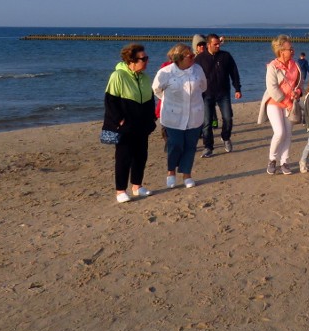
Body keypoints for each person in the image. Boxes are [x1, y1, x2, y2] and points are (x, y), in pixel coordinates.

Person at [103, 43, 157, 203]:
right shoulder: (118, 76)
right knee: (123, 157)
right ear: (131, 60)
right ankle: (120, 191)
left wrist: (151, 119)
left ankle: (137, 186)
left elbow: (150, 100)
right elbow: (110, 102)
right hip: (125, 126)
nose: (147, 61)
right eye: (143, 59)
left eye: (147, 58)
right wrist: (120, 120)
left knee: (141, 156)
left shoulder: (145, 77)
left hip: (142, 125)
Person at [152, 43, 207, 189]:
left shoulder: (198, 70)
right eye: (190, 56)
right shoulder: (166, 72)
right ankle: (171, 172)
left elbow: (203, 86)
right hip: (173, 117)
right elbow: (156, 89)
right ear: (180, 58)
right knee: (175, 144)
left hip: (194, 115)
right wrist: (169, 100)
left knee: (190, 146)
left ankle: (187, 175)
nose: (193, 58)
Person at [258, 35, 302, 175]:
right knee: (280, 132)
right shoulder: (273, 66)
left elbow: (299, 83)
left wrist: (298, 92)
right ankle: (272, 159)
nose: (293, 51)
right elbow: (272, 88)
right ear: (281, 51)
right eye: (290, 49)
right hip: (274, 103)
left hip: (290, 103)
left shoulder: (295, 65)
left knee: (288, 133)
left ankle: (285, 162)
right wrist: (287, 102)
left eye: (292, 48)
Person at [194, 33, 242, 157]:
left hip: (223, 93)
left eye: (219, 44)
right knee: (207, 123)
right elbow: (193, 76)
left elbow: (234, 72)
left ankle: (226, 138)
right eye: (215, 44)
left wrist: (237, 88)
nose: (218, 46)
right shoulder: (199, 59)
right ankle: (208, 147)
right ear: (208, 44)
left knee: (227, 118)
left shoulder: (226, 56)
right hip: (206, 94)